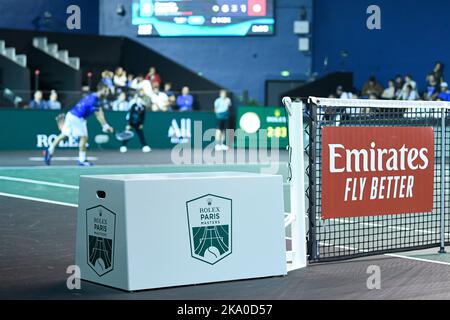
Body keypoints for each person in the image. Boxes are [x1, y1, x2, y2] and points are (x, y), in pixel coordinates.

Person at [43, 83, 114, 166]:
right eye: (105, 91)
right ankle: (82, 160)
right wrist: (105, 126)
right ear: (100, 90)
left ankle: (49, 150)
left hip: (70, 115)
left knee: (64, 134)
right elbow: (98, 115)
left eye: (107, 91)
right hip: (77, 118)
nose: (107, 93)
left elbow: (100, 111)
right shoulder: (93, 100)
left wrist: (106, 125)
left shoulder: (94, 97)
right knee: (84, 138)